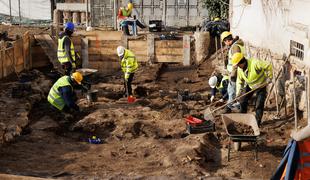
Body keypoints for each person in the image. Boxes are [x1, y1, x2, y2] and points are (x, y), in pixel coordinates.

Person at [231, 52, 273, 125]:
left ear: (242, 62)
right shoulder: (240, 69)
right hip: (250, 86)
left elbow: (268, 65)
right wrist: (238, 93)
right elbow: (239, 81)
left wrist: (269, 77)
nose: (237, 66)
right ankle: (242, 118)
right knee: (242, 100)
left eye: (238, 65)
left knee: (259, 104)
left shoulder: (255, 63)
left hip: (261, 85)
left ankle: (257, 122)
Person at [220, 31, 246, 112]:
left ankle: (230, 108)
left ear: (226, 40)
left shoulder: (235, 47)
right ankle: (231, 106)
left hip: (235, 73)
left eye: (224, 42)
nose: (225, 44)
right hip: (235, 72)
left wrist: (233, 75)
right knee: (232, 90)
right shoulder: (235, 46)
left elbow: (236, 61)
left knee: (232, 91)